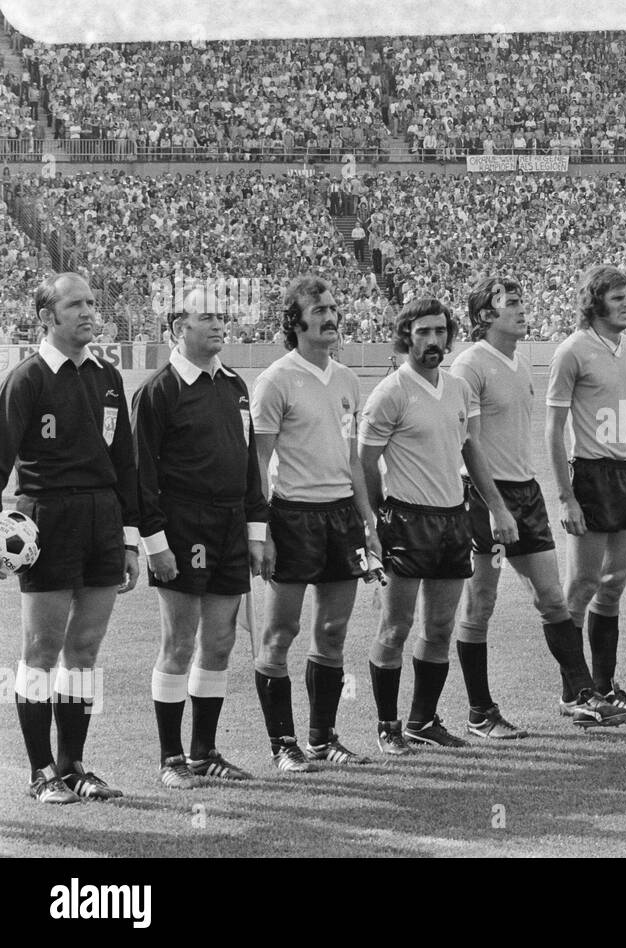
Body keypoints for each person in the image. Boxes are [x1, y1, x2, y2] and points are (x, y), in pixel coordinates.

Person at [450, 276, 626, 735]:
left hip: (525, 493)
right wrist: (494, 506)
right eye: (511, 303)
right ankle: (480, 713)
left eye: (522, 300)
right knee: (481, 602)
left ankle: (582, 694)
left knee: (552, 599)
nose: (523, 309)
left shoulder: (521, 361)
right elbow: (466, 444)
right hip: (484, 497)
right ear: (485, 315)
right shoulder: (469, 365)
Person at [0, 272, 140, 804]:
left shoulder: (107, 376)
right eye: (75, 304)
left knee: (83, 650)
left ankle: (73, 763)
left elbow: (123, 463)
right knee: (40, 649)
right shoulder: (26, 378)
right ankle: (40, 772)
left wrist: (128, 538)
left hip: (103, 519)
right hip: (48, 519)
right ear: (47, 317)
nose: (88, 311)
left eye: (91, 302)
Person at [132, 286, 267, 788]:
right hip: (182, 527)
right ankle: (170, 757)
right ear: (176, 328)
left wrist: (256, 531)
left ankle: (204, 750)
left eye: (220, 316)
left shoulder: (234, 384)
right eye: (205, 316)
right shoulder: (157, 391)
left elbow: (248, 465)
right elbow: (141, 477)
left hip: (231, 526)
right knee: (179, 639)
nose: (217, 325)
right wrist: (155, 543)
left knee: (220, 640)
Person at [251, 275, 382, 772]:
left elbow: (352, 459)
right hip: (292, 516)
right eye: (320, 310)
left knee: (332, 629)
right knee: (280, 632)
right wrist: (259, 532)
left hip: (342, 517)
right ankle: (282, 744)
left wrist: (368, 521)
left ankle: (323, 738)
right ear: (295, 321)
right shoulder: (276, 380)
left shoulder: (348, 379)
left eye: (333, 307)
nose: (331, 317)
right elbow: (259, 464)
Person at [359, 298, 498, 753]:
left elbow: (468, 450)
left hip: (453, 520)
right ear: (405, 336)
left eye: (440, 331)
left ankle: (422, 720)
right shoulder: (391, 392)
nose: (433, 340)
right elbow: (364, 467)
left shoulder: (457, 387)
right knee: (396, 627)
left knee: (439, 627)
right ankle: (387, 725)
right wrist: (379, 520)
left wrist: (496, 506)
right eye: (423, 332)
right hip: (407, 520)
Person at [545, 266, 626, 713]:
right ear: (595, 303)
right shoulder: (571, 351)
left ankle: (606, 685)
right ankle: (574, 691)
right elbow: (553, 431)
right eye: (618, 298)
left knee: (614, 585)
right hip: (592, 476)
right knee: (582, 586)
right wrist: (566, 496)